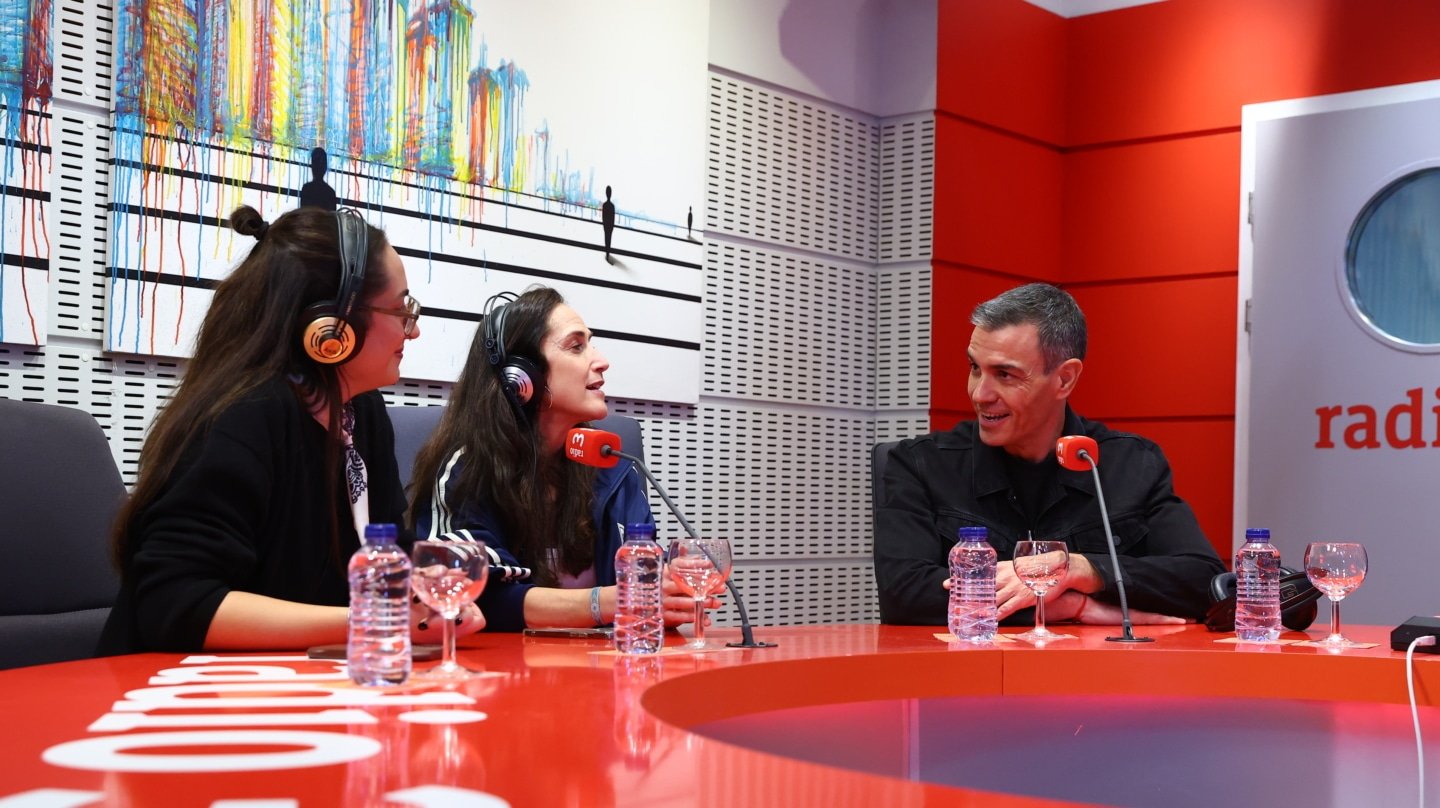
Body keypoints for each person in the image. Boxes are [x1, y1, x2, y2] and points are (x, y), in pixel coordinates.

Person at [99, 205, 482, 653]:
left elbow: (386, 551)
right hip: (180, 695)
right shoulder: (244, 415)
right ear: (332, 325)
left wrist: (423, 586)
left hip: (298, 685)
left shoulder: (362, 411)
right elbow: (177, 603)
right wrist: (383, 617)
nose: (412, 331)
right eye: (401, 310)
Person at [874, 283, 1225, 626]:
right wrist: (1071, 607)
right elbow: (903, 596)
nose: (980, 394)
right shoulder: (920, 464)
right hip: (967, 676)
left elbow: (1204, 581)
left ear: (1065, 380)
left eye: (1005, 374)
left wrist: (1080, 569)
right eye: (975, 368)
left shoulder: (1131, 463)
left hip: (1098, 677)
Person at [409, 286, 709, 631]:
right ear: (520, 376)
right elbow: (476, 595)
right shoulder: (466, 470)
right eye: (576, 346)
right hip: (505, 672)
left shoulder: (614, 466)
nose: (601, 360)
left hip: (604, 669)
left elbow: (643, 579)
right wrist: (612, 602)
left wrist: (670, 596)